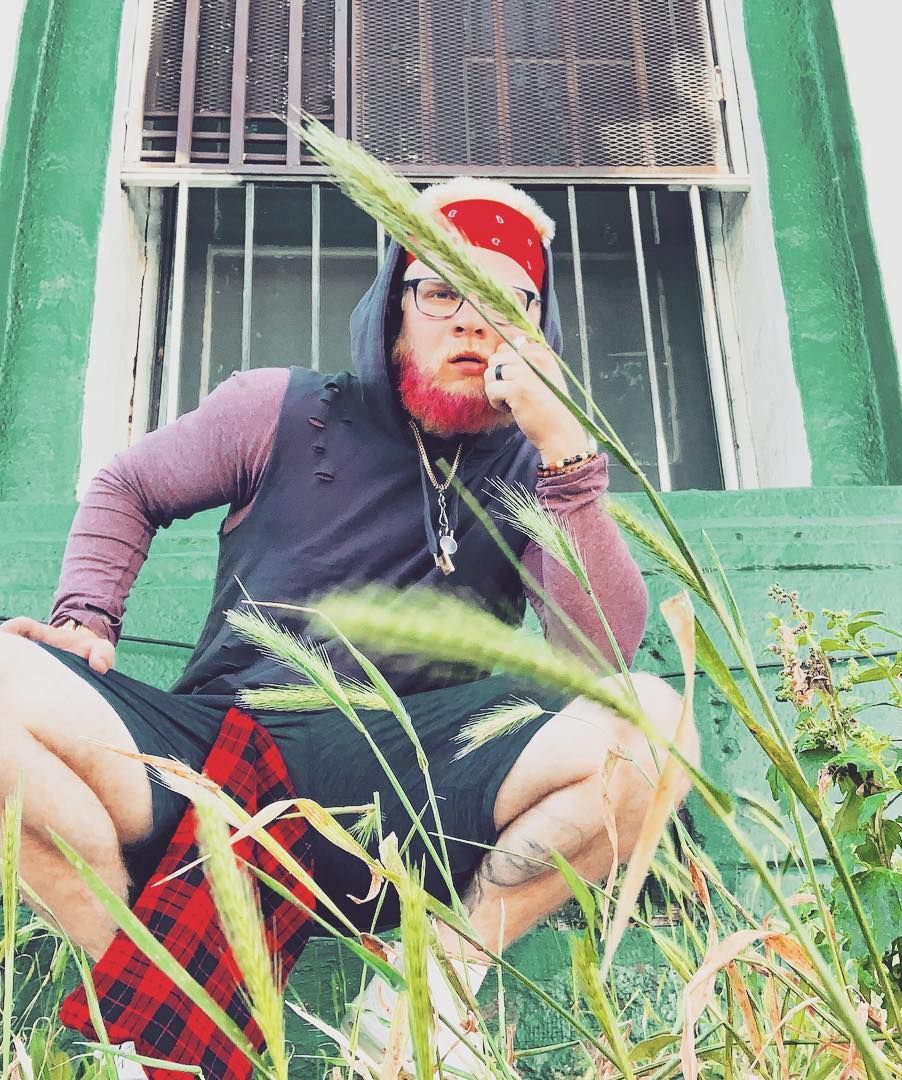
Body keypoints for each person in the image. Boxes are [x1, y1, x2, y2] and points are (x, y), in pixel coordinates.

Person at [0, 177, 697, 1070]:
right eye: (441, 292)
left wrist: (566, 453)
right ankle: (151, 1009)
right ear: (394, 305)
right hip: (216, 755)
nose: (471, 322)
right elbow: (128, 485)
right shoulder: (281, 409)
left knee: (655, 725)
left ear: (539, 329)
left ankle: (429, 998)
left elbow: (596, 657)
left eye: (505, 302)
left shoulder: (535, 469)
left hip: (419, 789)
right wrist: (86, 617)